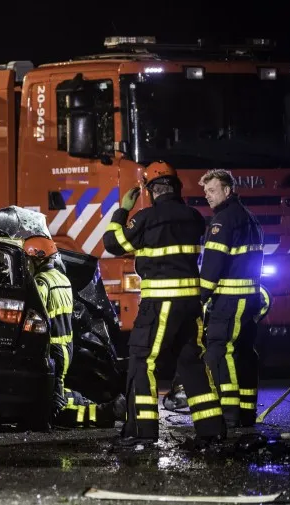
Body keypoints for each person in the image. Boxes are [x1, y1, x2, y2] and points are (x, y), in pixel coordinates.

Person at [103, 161, 224, 449]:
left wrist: (123, 209)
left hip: (160, 303)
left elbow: (113, 243)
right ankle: (212, 429)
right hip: (191, 305)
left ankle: (143, 431)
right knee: (192, 362)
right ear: (176, 187)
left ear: (151, 190)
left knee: (144, 362)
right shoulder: (195, 217)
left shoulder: (146, 218)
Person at [23, 236, 125, 429]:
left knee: (55, 408)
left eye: (28, 260)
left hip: (52, 348)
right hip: (66, 346)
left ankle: (104, 412)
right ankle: (96, 406)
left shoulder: (41, 282)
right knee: (57, 390)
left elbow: (36, 312)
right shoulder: (63, 279)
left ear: (38, 258)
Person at [198, 169, 264, 428]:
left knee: (219, 350)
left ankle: (229, 414)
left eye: (212, 191)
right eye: (205, 192)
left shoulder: (222, 221)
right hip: (250, 298)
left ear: (227, 190)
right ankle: (246, 413)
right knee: (244, 353)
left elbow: (211, 268)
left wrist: (200, 298)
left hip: (229, 300)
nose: (207, 196)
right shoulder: (250, 219)